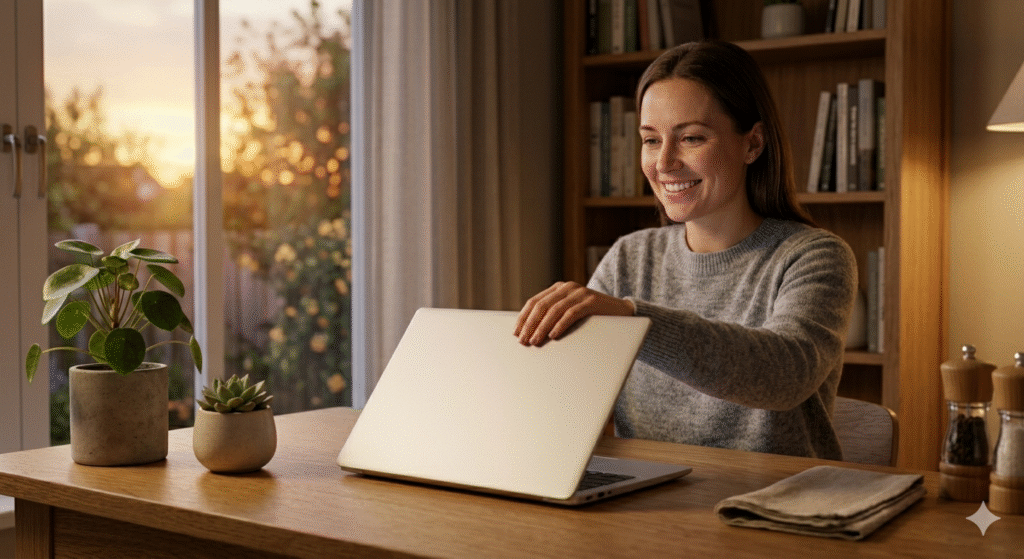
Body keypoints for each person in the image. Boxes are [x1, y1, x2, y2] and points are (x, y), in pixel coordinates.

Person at [514, 41, 856, 460]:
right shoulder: (629, 257)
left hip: (776, 508)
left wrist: (635, 319)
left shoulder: (813, 255)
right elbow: (568, 394)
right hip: (649, 507)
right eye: (651, 140)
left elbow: (785, 374)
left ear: (753, 144)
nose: (664, 163)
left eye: (691, 137)